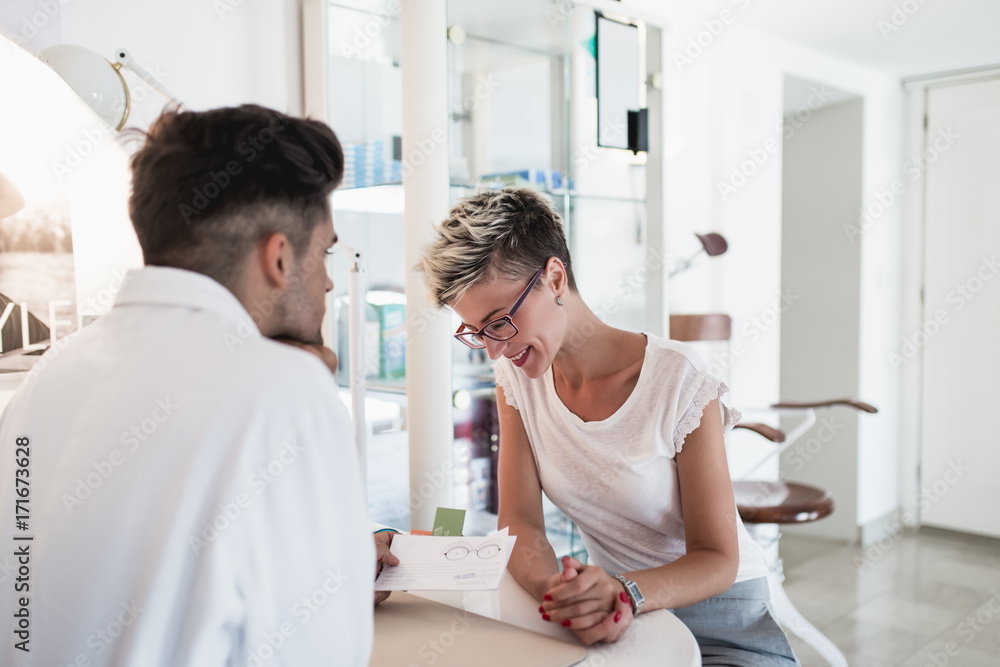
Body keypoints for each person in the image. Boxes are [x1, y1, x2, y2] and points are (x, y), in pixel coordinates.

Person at [0, 104, 393, 666]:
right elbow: (322, 653)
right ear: (279, 258)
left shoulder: (48, 376)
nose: (330, 281)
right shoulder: (286, 393)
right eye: (324, 252)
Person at [420, 187, 800, 665]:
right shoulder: (517, 377)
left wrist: (625, 593)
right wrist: (564, 595)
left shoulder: (678, 379)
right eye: (476, 332)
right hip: (618, 619)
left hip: (722, 621)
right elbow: (520, 522)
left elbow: (718, 557)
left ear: (554, 278)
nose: (494, 349)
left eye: (499, 323)